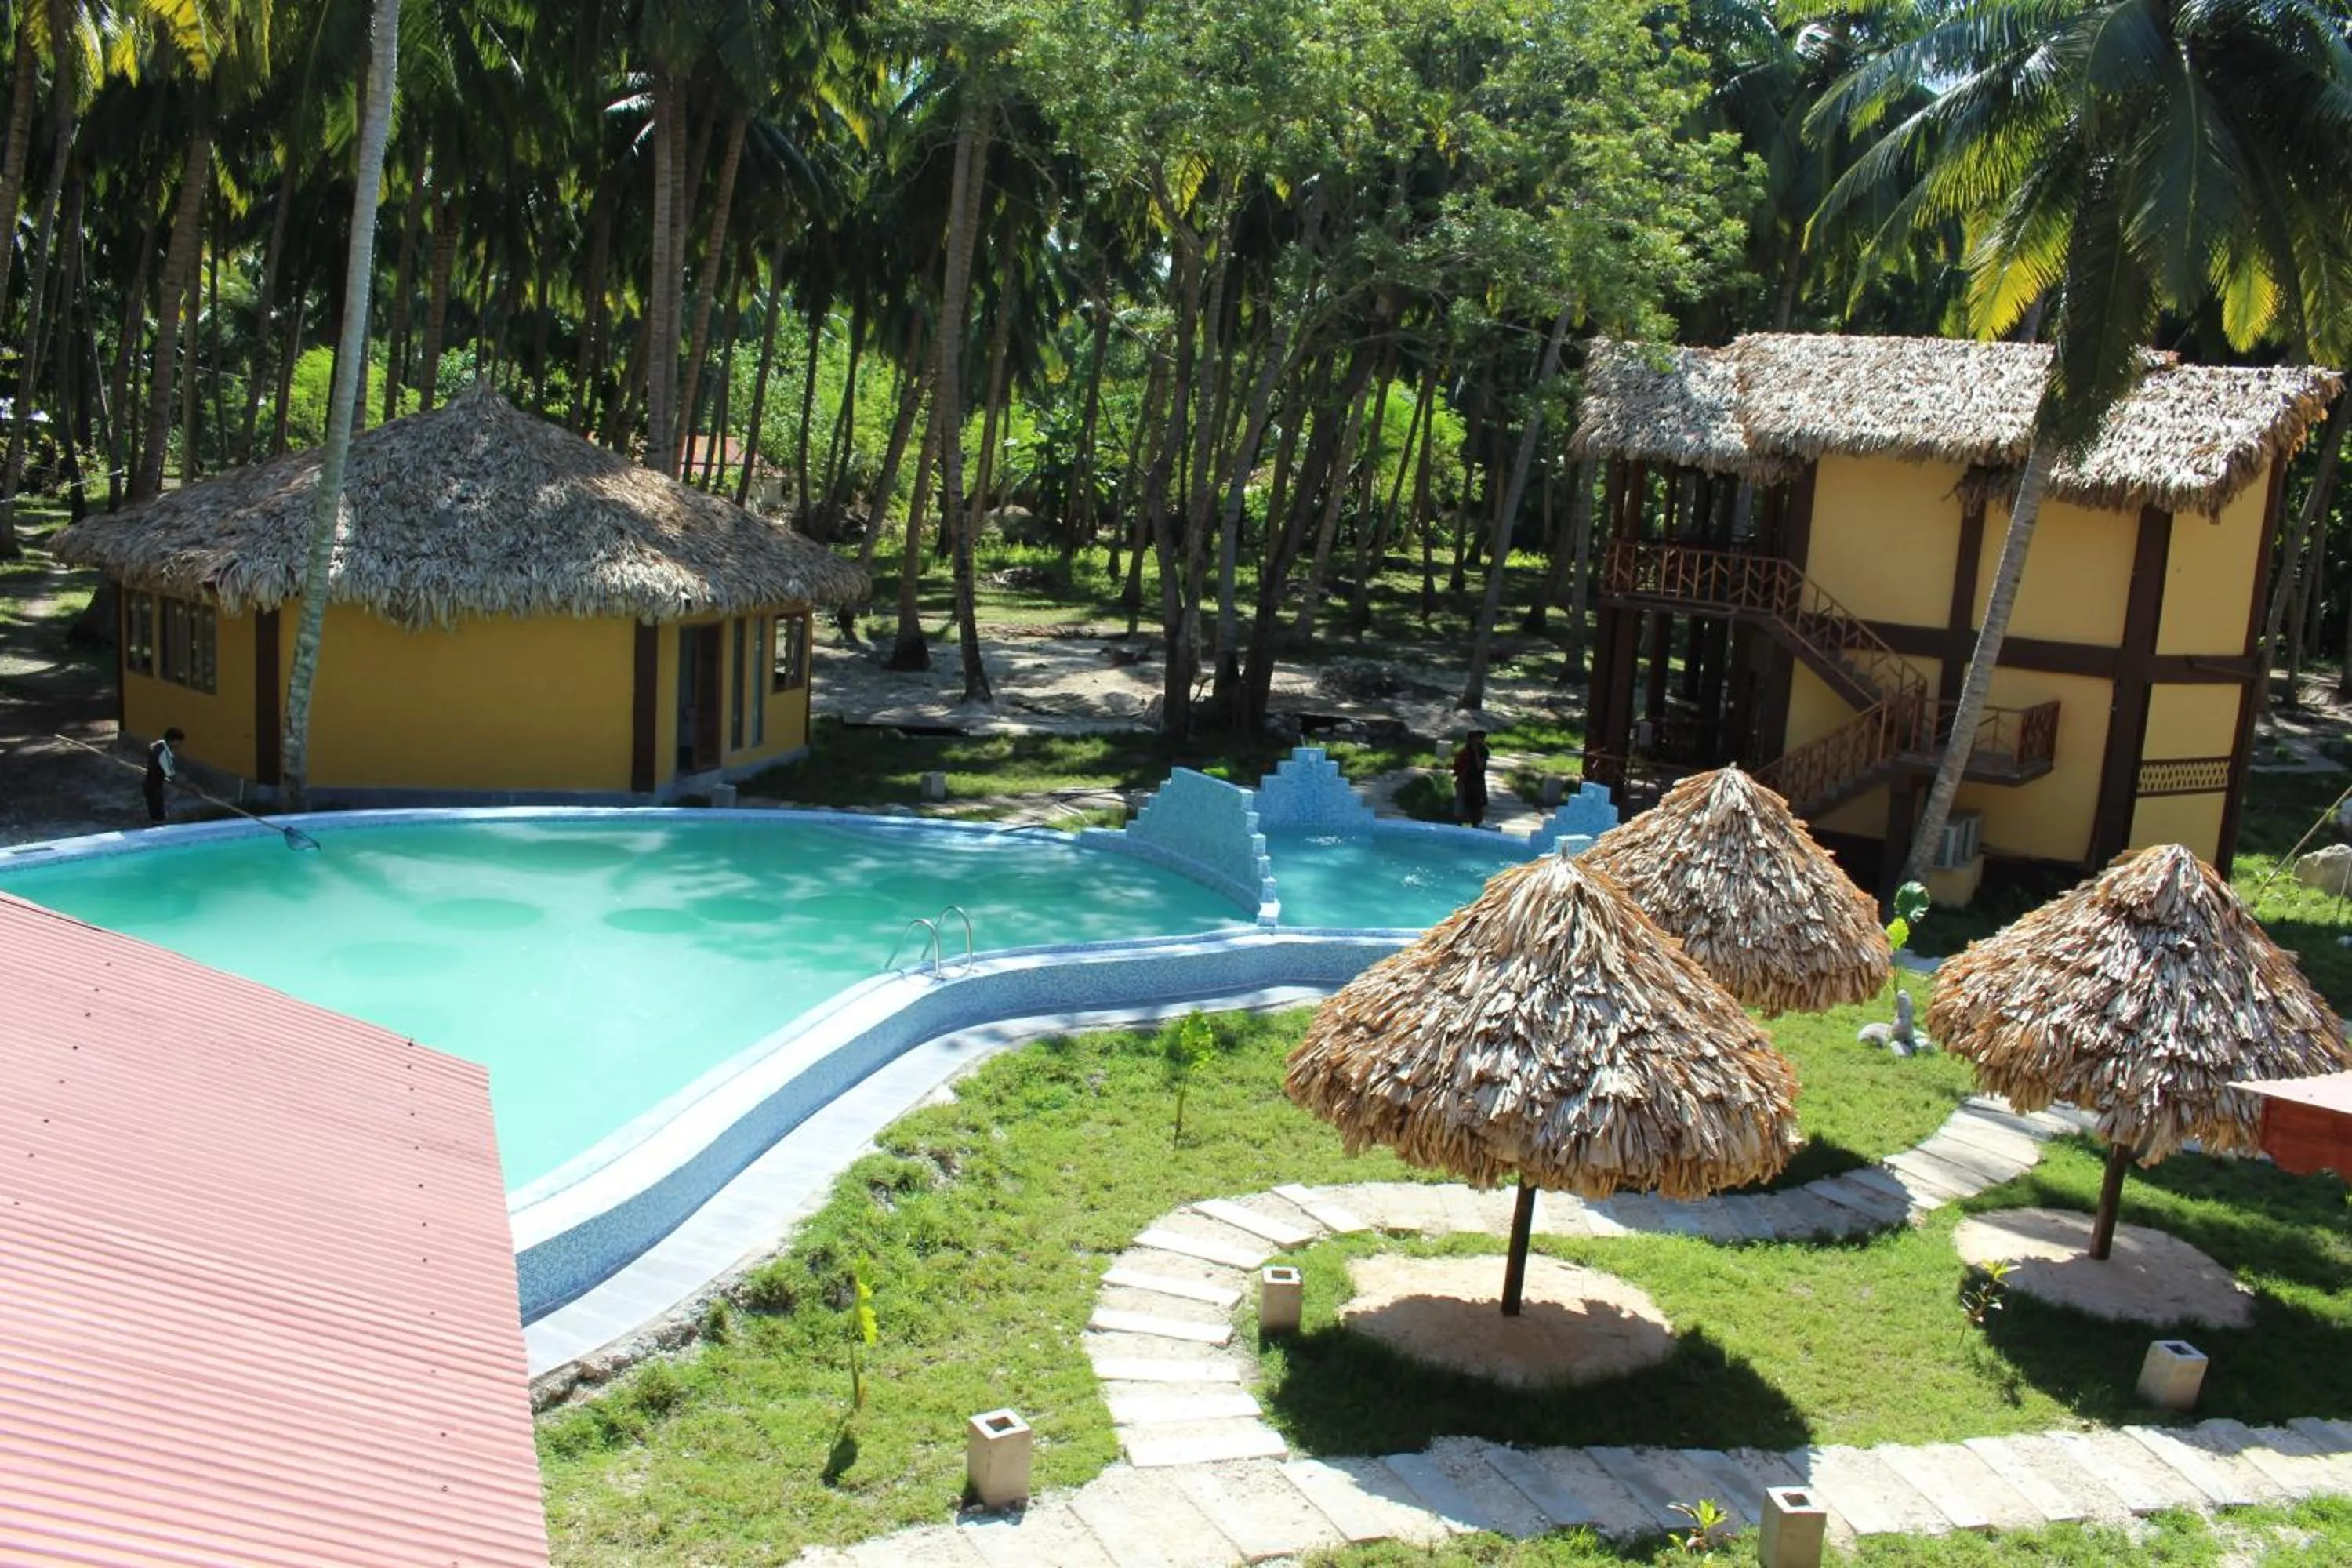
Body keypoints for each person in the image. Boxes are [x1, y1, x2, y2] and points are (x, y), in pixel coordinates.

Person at [1450, 729, 1491, 828]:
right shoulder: (1464, 751)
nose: (1481, 740)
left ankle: (1475, 825)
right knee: (1461, 804)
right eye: (1478, 738)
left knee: (1477, 805)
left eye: (1482, 739)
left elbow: (1480, 767)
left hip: (1477, 781)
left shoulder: (1483, 751)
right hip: (1464, 781)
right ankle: (1458, 825)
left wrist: (1476, 752)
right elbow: (1457, 767)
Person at [144, 727, 185, 825]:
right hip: (154, 787)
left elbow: (150, 747)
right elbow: (172, 776)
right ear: (173, 741)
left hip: (150, 784)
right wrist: (192, 788)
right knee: (158, 816)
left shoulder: (159, 744)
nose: (179, 745)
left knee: (156, 811)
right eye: (178, 742)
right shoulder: (165, 754)